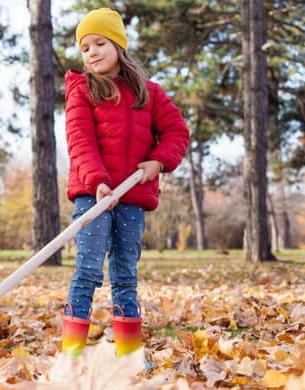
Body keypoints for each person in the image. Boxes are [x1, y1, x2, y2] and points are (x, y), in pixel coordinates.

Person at [61, 8, 189, 359]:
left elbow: (177, 131)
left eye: (100, 43)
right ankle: (71, 356)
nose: (92, 52)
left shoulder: (149, 93)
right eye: (85, 47)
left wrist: (159, 162)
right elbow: (80, 141)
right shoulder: (82, 90)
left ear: (118, 45)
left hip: (133, 198)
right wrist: (98, 182)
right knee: (87, 272)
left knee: (125, 275)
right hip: (93, 197)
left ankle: (129, 356)